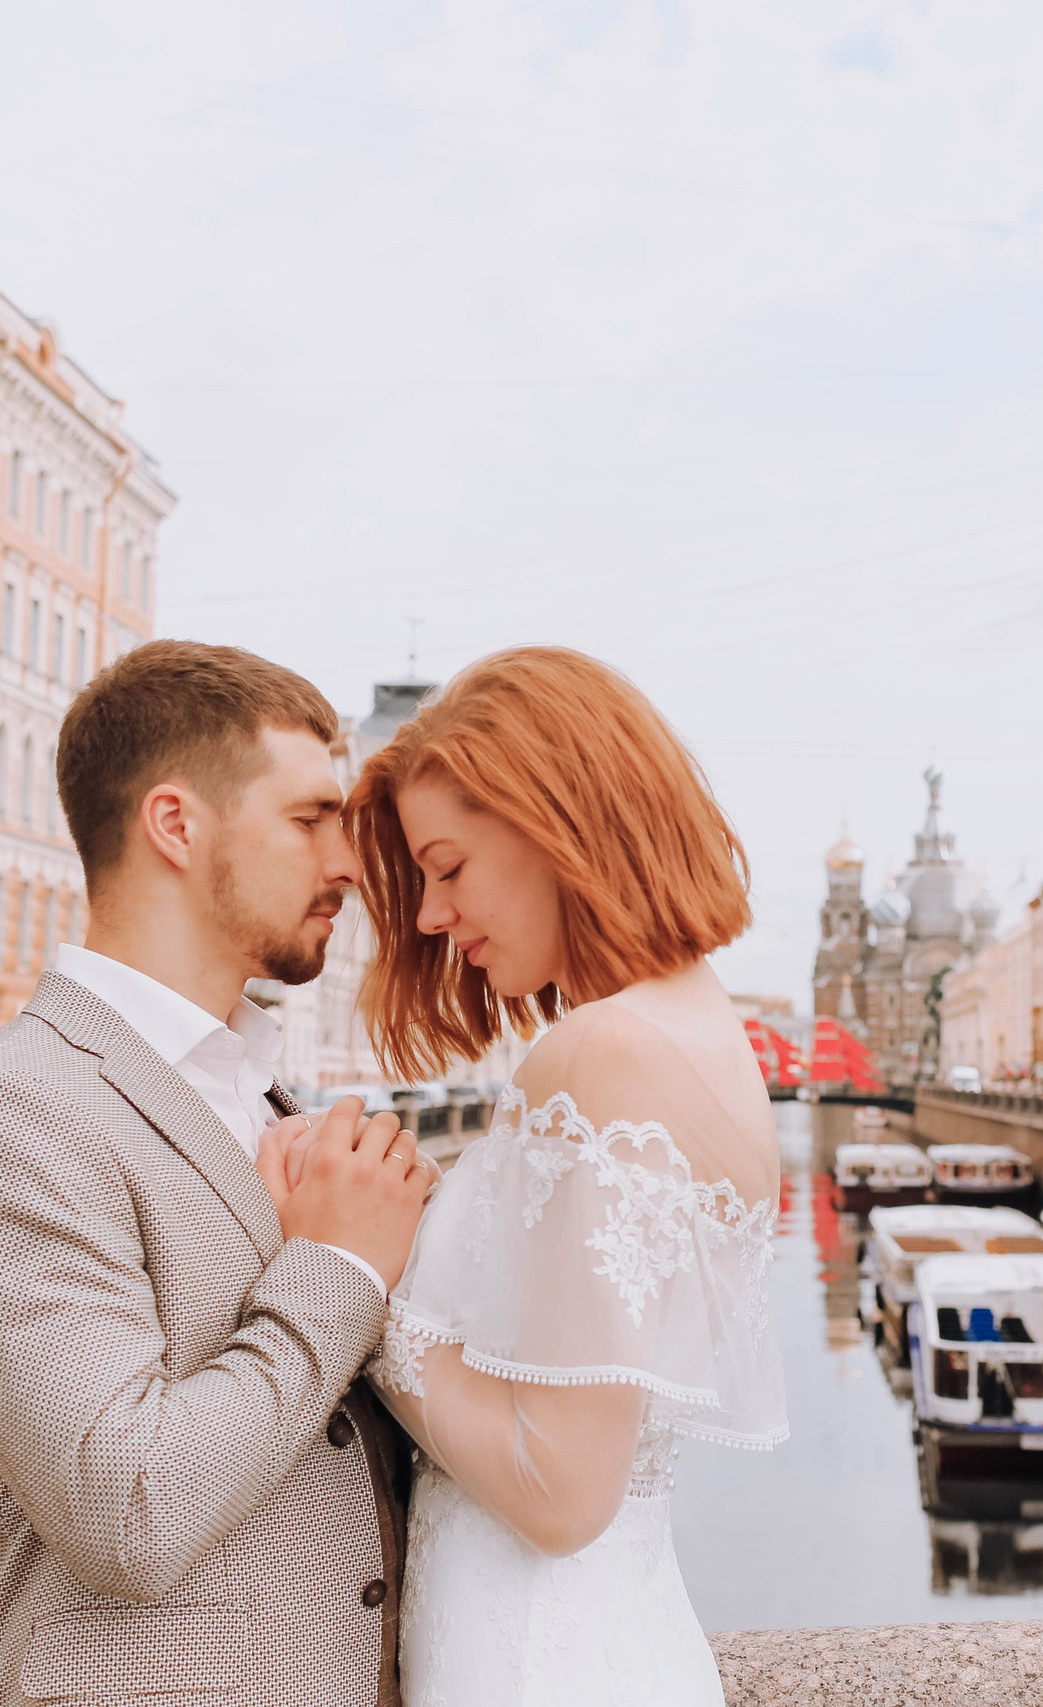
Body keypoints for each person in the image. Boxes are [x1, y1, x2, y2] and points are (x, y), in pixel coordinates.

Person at [0, 642, 435, 1707]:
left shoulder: (261, 1094)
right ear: (175, 824)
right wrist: (335, 1266)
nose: (350, 865)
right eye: (310, 819)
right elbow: (126, 1507)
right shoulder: (11, 1114)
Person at [346, 646, 787, 1707]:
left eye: (447, 868)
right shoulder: (699, 1031)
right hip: (603, 1636)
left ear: (558, 822)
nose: (429, 918)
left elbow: (558, 1490)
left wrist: (362, 1286)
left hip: (531, 1659)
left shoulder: (598, 1053)